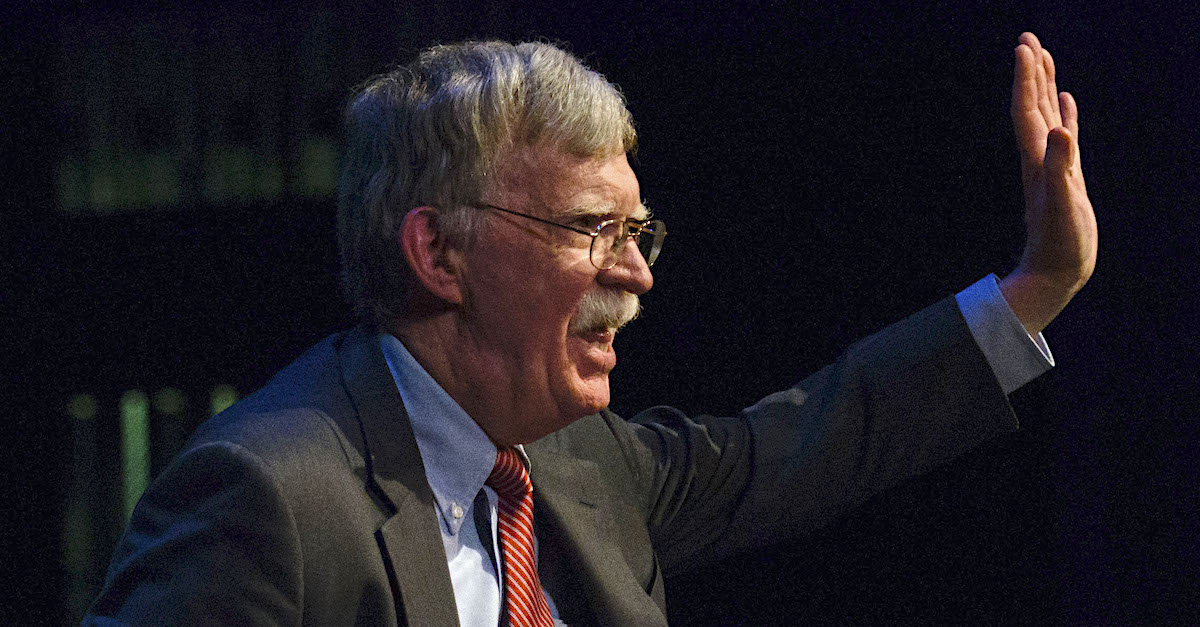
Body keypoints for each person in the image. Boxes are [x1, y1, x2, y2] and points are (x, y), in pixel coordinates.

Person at [85, 32, 1095, 626]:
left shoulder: (571, 461)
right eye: (590, 229)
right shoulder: (267, 501)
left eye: (637, 229)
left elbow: (801, 445)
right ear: (440, 255)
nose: (637, 273)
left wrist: (1034, 289)